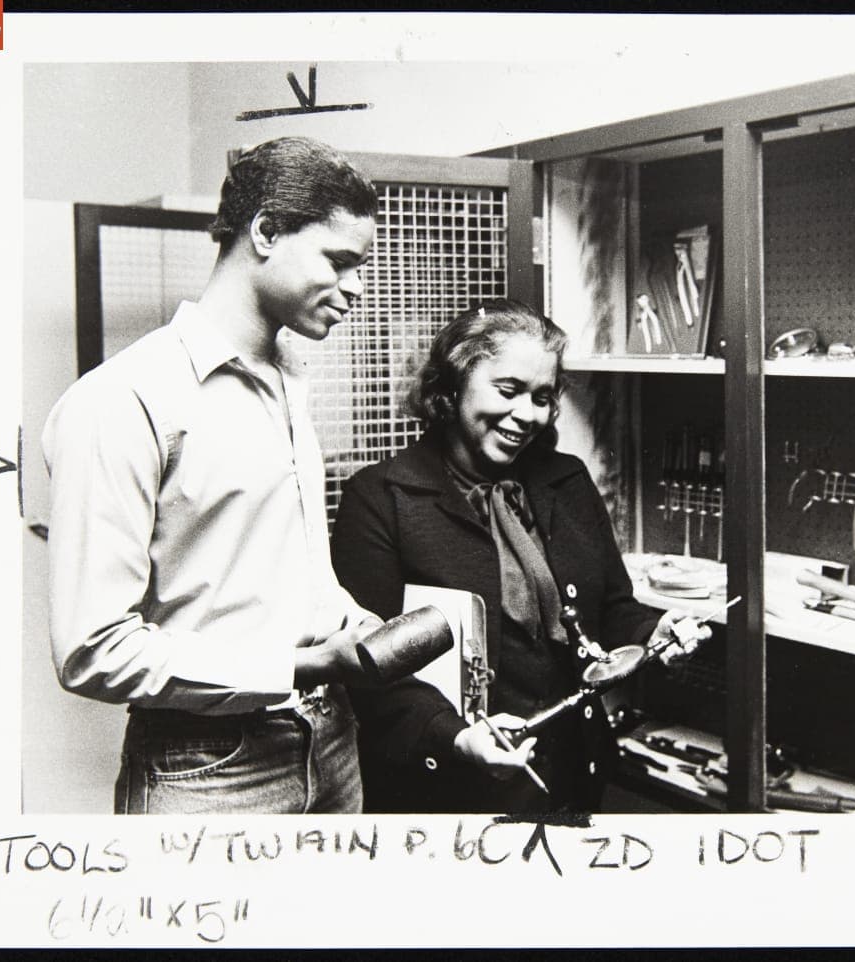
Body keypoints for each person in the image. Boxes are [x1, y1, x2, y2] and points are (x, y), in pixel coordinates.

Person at [43, 136, 395, 815]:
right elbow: (92, 649)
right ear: (266, 232)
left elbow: (278, 571)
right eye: (339, 261)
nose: (356, 287)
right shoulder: (120, 400)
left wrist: (344, 620)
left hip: (333, 744)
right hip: (206, 770)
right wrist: (300, 666)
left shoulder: (291, 380)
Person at [331, 299, 709, 813]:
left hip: (571, 777)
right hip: (446, 790)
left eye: (543, 397)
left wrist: (654, 631)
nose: (527, 415)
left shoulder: (566, 481)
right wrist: (455, 736)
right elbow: (370, 669)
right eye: (508, 391)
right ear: (452, 387)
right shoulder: (380, 499)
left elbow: (611, 609)